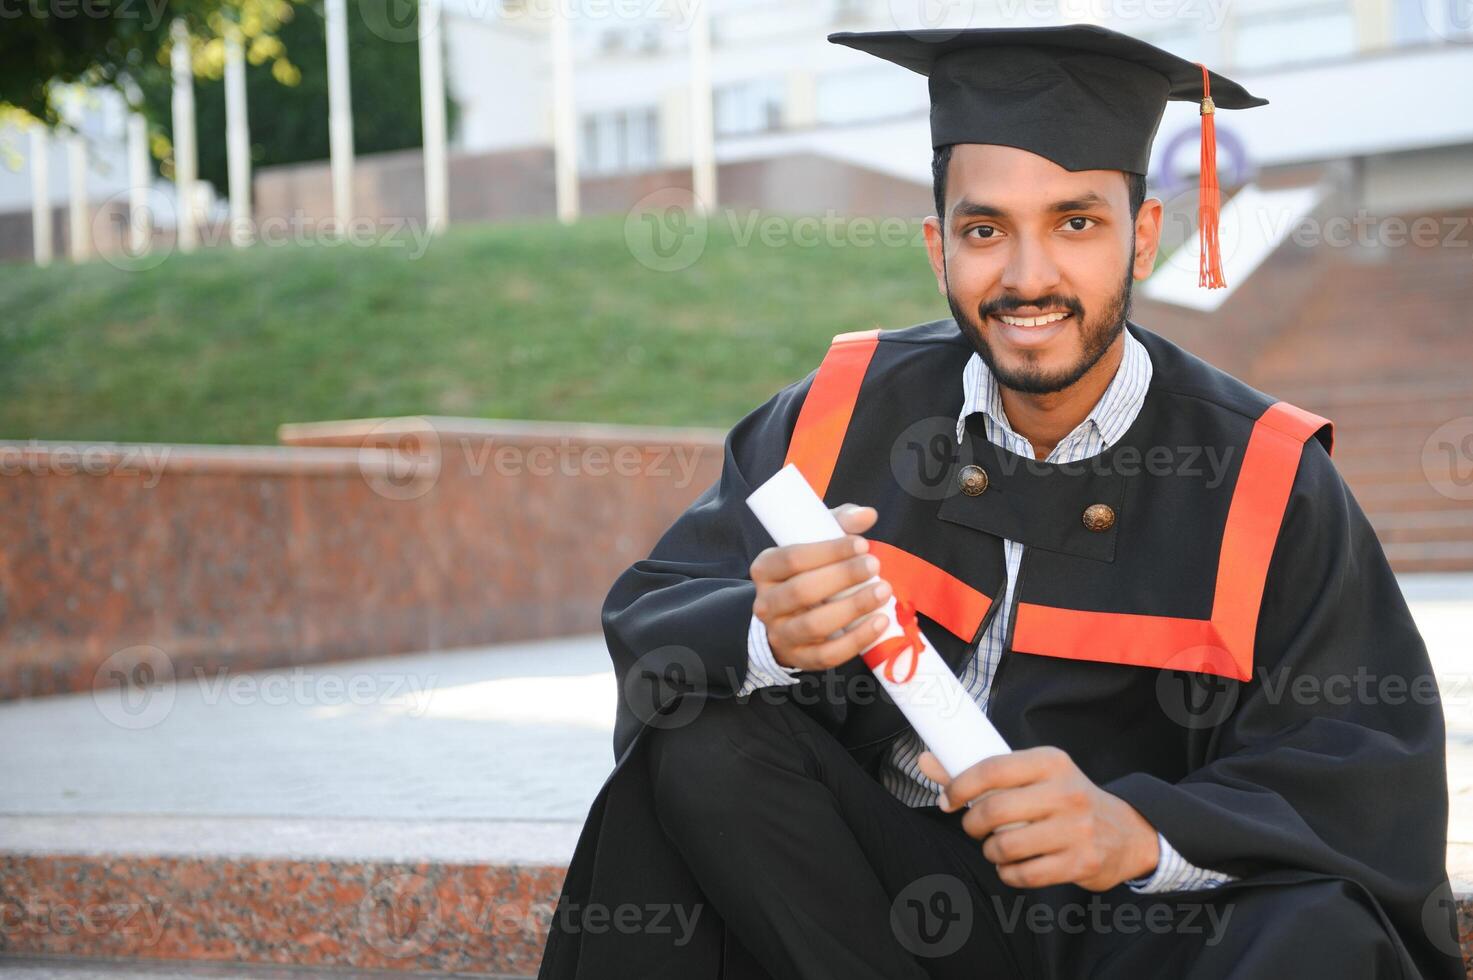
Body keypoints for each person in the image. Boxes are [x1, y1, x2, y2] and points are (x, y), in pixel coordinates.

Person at [536, 23, 1461, 980]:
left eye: (1075, 222)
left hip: (1136, 927)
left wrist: (1136, 828)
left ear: (1141, 237)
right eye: (985, 230)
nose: (1027, 278)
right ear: (938, 242)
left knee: (1320, 931)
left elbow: (1360, 767)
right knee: (702, 745)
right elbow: (655, 614)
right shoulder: (842, 412)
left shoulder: (1265, 474)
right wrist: (770, 634)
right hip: (884, 907)